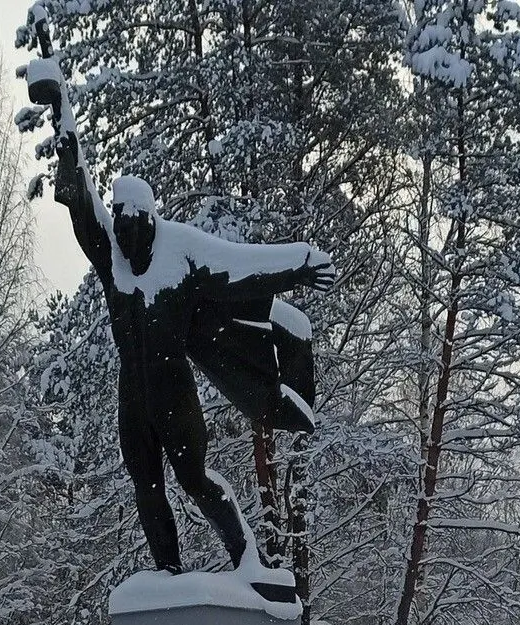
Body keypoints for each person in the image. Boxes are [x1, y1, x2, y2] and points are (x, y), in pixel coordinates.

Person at [54, 130, 334, 577]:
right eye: (120, 229)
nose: (126, 240)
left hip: (174, 395)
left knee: (196, 481)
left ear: (149, 220)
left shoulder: (181, 252)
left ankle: (249, 563)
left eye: (133, 229)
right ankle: (168, 574)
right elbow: (83, 201)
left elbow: (241, 267)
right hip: (133, 401)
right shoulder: (113, 261)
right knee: (147, 489)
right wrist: (64, 128)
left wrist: (297, 264)